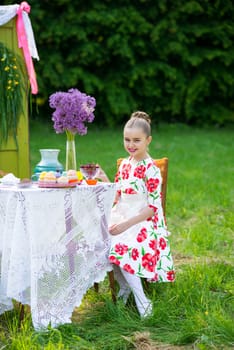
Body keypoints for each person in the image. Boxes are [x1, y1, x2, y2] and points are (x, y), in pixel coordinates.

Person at [97, 111, 175, 318]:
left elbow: (153, 208)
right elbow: (118, 195)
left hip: (143, 221)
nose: (131, 145)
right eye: (127, 139)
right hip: (121, 214)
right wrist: (105, 178)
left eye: (137, 140)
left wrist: (126, 224)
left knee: (121, 247)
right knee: (101, 240)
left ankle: (142, 300)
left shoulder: (150, 169)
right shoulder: (125, 164)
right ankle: (124, 288)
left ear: (148, 140)